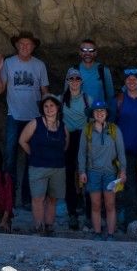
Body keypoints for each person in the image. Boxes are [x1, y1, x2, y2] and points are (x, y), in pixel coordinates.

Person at [0, 32, 48, 208]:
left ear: (33, 47)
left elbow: (45, 91)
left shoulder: (39, 65)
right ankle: (9, 198)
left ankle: (26, 198)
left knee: (32, 158)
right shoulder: (8, 63)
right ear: (16, 46)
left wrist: (49, 116)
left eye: (28, 44)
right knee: (10, 157)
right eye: (21, 44)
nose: (24, 47)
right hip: (14, 116)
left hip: (34, 119)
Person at [19, 93, 67, 236]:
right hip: (38, 167)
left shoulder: (62, 126)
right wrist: (33, 154)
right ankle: (38, 227)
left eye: (52, 105)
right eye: (46, 106)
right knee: (38, 198)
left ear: (58, 107)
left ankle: (49, 226)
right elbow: (22, 141)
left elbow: (65, 146)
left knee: (52, 198)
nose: (49, 108)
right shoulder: (35, 123)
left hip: (57, 168)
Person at [80, 101, 126, 238]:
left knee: (110, 204)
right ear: (93, 114)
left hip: (110, 173)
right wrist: (82, 171)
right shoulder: (87, 130)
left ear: (107, 113)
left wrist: (123, 171)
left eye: (102, 111)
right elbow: (81, 153)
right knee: (95, 204)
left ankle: (111, 234)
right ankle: (97, 233)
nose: (100, 113)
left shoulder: (114, 130)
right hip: (92, 172)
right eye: (97, 111)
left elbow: (121, 152)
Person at [113, 70, 137, 228]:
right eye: (129, 79)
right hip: (124, 150)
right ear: (125, 82)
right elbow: (112, 124)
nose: (132, 81)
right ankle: (131, 219)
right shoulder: (120, 99)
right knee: (128, 185)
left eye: (135, 79)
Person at [60, 70, 90, 230]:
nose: (74, 81)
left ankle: (88, 208)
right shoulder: (61, 100)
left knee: (84, 171)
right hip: (67, 138)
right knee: (69, 173)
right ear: (67, 81)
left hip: (84, 138)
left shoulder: (87, 99)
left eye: (77, 78)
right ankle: (72, 211)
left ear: (81, 81)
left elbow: (94, 119)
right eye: (71, 78)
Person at [74, 39, 116, 108]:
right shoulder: (73, 71)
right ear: (79, 52)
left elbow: (110, 97)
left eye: (91, 50)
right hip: (79, 116)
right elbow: (67, 96)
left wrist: (111, 117)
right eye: (84, 50)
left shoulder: (103, 71)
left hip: (99, 114)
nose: (87, 53)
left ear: (96, 52)